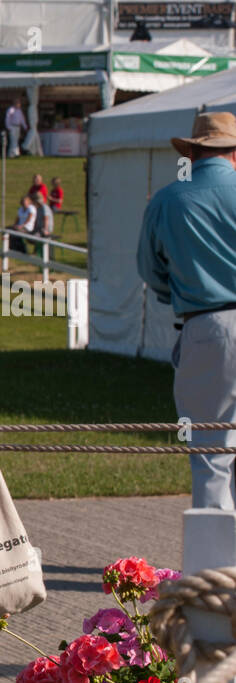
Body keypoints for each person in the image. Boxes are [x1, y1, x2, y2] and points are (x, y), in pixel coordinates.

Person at [137, 111, 236, 509]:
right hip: (208, 319)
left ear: (192, 152)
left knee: (211, 453)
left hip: (205, 325)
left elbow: (150, 269)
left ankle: (213, 564)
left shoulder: (168, 198)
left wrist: (180, 292)